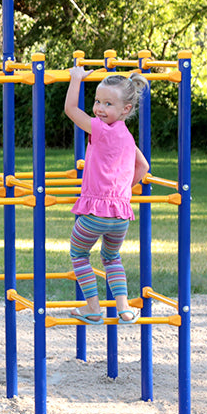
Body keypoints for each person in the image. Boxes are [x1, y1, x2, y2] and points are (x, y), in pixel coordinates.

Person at [64, 65, 150, 326]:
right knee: (111, 258)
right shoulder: (127, 136)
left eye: (108, 104)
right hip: (120, 216)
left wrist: (76, 78)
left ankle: (93, 307)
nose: (100, 108)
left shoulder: (99, 129)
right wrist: (123, 192)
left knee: (79, 254)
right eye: (97, 101)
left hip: (94, 214)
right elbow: (144, 167)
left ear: (125, 109)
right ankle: (124, 308)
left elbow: (70, 110)